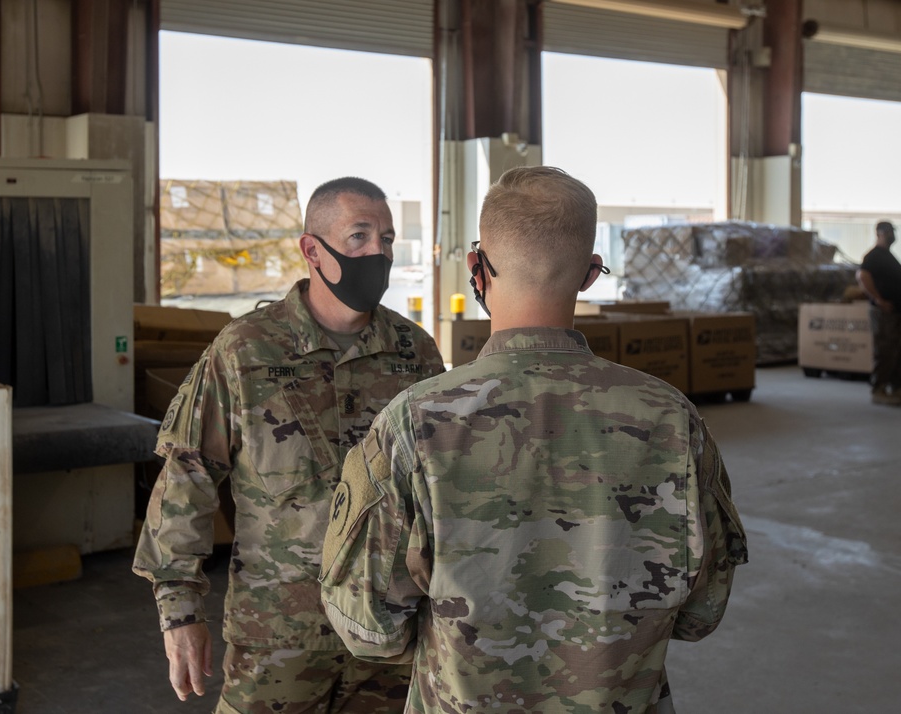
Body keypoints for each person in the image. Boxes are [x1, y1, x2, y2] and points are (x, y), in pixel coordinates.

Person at [320, 166, 748, 713]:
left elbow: (367, 628)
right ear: (591, 274)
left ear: (477, 268)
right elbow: (701, 611)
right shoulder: (672, 418)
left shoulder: (414, 422)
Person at [133, 176, 445, 713]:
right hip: (278, 637)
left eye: (387, 240)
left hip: (387, 634)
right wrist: (180, 611)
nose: (378, 253)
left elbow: (438, 488)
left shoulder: (413, 352)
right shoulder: (246, 351)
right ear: (312, 251)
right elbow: (188, 478)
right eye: (359, 237)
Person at [857, 221, 901, 406]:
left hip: (895, 311)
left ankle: (895, 387)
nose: (893, 235)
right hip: (884, 312)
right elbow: (862, 276)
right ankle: (879, 388)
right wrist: (878, 300)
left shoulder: (889, 256)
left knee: (896, 352)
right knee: (885, 350)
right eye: (890, 232)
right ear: (880, 233)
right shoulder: (873, 256)